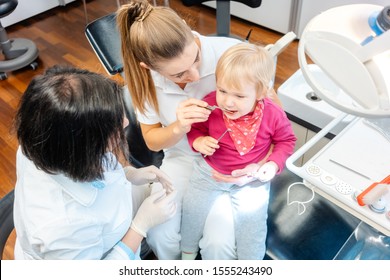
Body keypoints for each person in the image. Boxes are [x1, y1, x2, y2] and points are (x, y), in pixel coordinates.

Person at [116, 0, 282, 260]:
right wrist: (179, 127)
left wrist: (259, 165)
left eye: (196, 59)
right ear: (149, 69)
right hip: (182, 159)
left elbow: (275, 120)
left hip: (232, 162)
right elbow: (153, 143)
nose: (194, 76)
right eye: (180, 74)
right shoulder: (144, 83)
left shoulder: (233, 54)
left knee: (219, 246)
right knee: (161, 235)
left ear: (185, 27)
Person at [12, 65, 177, 260]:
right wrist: (140, 227)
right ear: (85, 143)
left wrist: (128, 174)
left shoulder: (43, 144)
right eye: (114, 123)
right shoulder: (63, 229)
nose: (125, 122)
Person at [181, 43, 296, 260]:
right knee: (191, 213)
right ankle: (186, 255)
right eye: (222, 90)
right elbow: (195, 129)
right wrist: (198, 141)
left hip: (251, 181)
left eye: (239, 96)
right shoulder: (209, 105)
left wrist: (272, 165)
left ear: (261, 93)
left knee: (252, 229)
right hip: (208, 174)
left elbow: (286, 141)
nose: (227, 101)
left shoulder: (273, 114)